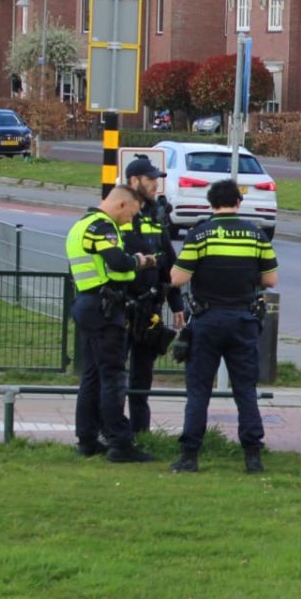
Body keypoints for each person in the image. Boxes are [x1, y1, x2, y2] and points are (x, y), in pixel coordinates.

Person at [168, 178, 278, 474]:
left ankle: (189, 455)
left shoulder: (200, 234)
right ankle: (253, 456)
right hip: (243, 320)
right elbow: (270, 280)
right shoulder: (256, 235)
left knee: (199, 390)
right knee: (245, 389)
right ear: (238, 203)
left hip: (207, 320)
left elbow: (178, 279)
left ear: (211, 203)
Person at [65, 185, 156, 463]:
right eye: (131, 213)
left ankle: (87, 439)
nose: (131, 220)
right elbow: (117, 262)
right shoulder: (101, 227)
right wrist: (139, 261)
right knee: (114, 376)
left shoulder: (81, 224)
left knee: (92, 376)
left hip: (88, 304)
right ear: (120, 205)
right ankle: (119, 443)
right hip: (104, 308)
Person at [119, 157, 181, 435]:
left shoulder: (157, 216)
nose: (156, 185)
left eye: (157, 180)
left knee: (143, 376)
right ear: (134, 182)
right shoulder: (120, 214)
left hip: (150, 308)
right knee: (115, 373)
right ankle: (112, 431)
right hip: (121, 308)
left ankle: (140, 433)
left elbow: (169, 261)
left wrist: (176, 303)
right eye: (150, 179)